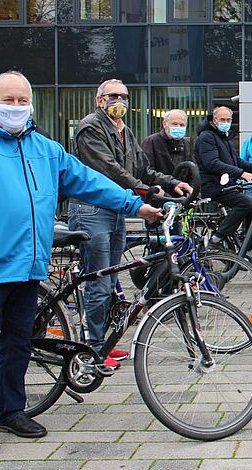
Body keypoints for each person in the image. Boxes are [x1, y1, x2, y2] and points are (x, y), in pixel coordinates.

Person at [0, 71, 161, 460]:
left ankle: (12, 410)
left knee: (18, 344)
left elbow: (88, 181)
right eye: (8, 100)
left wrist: (136, 204)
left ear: (31, 104)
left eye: (22, 100)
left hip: (28, 265)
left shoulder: (45, 149)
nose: (16, 107)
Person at [71, 79, 193, 369]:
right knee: (99, 283)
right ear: (100, 100)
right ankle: (93, 350)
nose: (120, 102)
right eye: (113, 96)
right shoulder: (91, 127)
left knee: (110, 279)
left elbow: (142, 168)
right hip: (92, 210)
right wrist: (144, 193)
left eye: (125, 97)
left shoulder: (124, 131)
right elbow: (109, 171)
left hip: (115, 209)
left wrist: (172, 183)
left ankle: (101, 343)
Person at [194, 106, 252, 248]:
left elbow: (237, 161)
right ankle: (217, 238)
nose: (226, 122)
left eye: (229, 119)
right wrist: (241, 174)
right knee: (246, 204)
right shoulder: (206, 137)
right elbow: (212, 163)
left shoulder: (223, 137)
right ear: (214, 120)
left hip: (226, 184)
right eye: (222, 119)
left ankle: (251, 247)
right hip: (213, 185)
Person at [141, 109, 194, 177]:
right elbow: (146, 171)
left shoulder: (187, 144)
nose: (178, 127)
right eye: (174, 124)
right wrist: (172, 183)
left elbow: (193, 171)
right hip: (159, 186)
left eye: (182, 125)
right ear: (164, 124)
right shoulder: (151, 142)